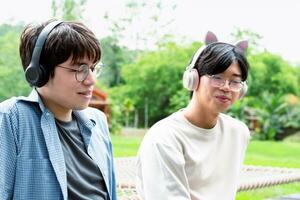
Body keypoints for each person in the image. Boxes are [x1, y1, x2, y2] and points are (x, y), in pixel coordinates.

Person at [0, 19, 116, 200]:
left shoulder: (98, 121)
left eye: (93, 68)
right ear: (39, 72)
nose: (91, 80)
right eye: (79, 69)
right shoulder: (11, 119)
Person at [136, 31, 250, 200]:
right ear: (193, 78)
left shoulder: (238, 132)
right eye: (217, 77)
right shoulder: (164, 138)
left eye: (235, 81)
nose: (226, 87)